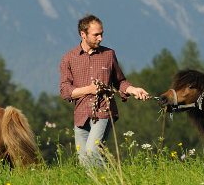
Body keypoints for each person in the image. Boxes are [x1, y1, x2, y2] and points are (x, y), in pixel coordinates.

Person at [59, 14, 150, 168]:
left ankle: (113, 184)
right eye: (96, 35)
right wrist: (88, 89)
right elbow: (65, 91)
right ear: (83, 34)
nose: (100, 38)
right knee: (83, 161)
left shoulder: (108, 55)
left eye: (101, 34)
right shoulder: (69, 58)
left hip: (104, 111)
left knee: (92, 151)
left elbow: (120, 81)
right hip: (81, 115)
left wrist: (133, 90)